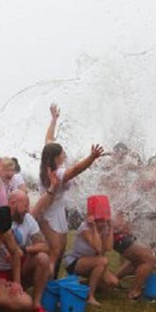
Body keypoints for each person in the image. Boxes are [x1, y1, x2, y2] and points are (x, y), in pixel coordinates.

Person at [35, 103, 105, 277]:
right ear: (57, 156)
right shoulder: (58, 172)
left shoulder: (47, 164)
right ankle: (46, 285)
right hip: (50, 216)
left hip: (56, 212)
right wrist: (92, 158)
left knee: (59, 250)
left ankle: (52, 282)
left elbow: (49, 139)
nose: (65, 153)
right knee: (55, 252)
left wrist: (53, 119)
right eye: (63, 152)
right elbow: (76, 170)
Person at [0, 190, 52, 312]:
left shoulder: (28, 219)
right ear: (12, 203)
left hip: (18, 268)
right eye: (25, 205)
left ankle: (36, 305)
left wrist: (23, 250)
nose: (28, 210)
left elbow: (44, 245)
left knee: (43, 258)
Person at [63, 213, 119, 306]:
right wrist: (93, 228)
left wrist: (111, 228)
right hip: (74, 261)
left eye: (103, 220)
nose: (102, 222)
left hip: (92, 262)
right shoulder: (85, 227)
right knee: (102, 261)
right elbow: (97, 247)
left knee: (112, 282)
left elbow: (109, 248)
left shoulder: (105, 227)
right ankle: (90, 296)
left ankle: (78, 286)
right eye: (100, 220)